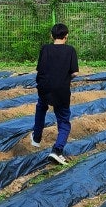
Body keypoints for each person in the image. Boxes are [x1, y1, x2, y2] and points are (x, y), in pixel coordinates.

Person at [29, 23, 80, 167]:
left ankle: (37, 137)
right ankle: (57, 151)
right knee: (63, 121)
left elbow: (40, 69)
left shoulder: (45, 49)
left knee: (41, 107)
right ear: (67, 36)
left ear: (51, 36)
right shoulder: (70, 50)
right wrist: (65, 78)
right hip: (62, 89)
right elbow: (75, 72)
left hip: (44, 86)